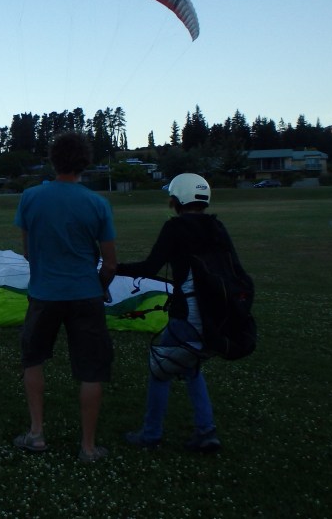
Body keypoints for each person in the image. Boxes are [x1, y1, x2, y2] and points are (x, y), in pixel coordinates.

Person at [117, 173, 246, 453]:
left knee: (161, 368)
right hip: (217, 313)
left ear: (178, 199)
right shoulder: (217, 227)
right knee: (191, 367)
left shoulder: (176, 228)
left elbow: (150, 267)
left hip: (187, 313)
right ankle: (206, 431)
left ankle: (150, 435)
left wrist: (114, 268)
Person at [13, 132, 116, 463]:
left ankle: (36, 433)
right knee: (91, 370)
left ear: (52, 160)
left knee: (33, 359)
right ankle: (87, 447)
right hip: (86, 295)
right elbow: (110, 263)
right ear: (84, 162)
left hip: (44, 295)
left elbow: (28, 252)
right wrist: (100, 284)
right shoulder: (97, 203)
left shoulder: (30, 198)